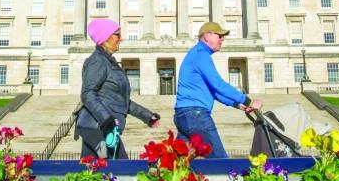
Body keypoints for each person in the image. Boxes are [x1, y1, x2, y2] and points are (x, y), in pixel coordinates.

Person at [75, 18, 161, 159]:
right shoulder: (98, 61)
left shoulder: (109, 62)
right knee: (117, 170)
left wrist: (147, 116)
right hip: (99, 128)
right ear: (105, 38)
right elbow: (87, 93)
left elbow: (120, 100)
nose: (121, 39)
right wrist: (106, 119)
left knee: (98, 173)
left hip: (108, 128)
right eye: (118, 35)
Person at [174, 21, 262, 158]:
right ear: (206, 36)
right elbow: (219, 85)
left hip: (183, 114)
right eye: (219, 35)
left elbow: (214, 92)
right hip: (196, 115)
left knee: (174, 162)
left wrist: (239, 105)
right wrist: (248, 101)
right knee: (220, 160)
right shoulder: (201, 54)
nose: (222, 39)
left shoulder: (197, 54)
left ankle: (149, 176)